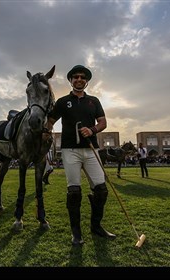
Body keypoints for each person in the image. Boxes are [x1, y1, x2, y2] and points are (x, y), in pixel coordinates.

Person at [47, 65, 116, 246]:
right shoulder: (62, 102)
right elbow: (50, 122)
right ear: (70, 80)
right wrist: (44, 132)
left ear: (86, 82)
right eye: (75, 77)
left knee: (101, 189)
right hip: (70, 150)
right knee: (74, 191)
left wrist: (92, 129)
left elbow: (103, 122)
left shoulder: (94, 101)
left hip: (91, 149)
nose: (79, 79)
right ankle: (76, 233)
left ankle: (96, 226)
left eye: (82, 77)